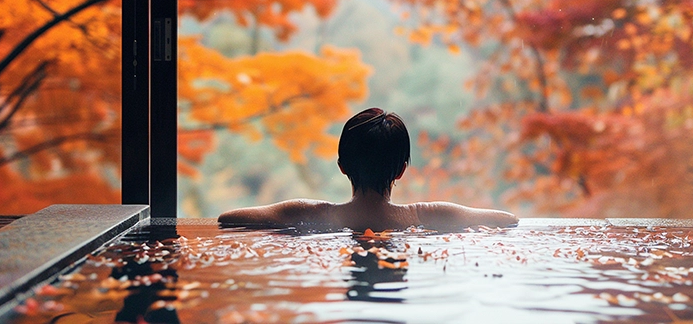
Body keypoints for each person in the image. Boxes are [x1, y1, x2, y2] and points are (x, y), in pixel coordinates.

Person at [218, 107, 518, 232]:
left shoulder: (310, 215)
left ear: (342, 166)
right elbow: (507, 220)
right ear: (401, 170)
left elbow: (227, 219)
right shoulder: (428, 216)